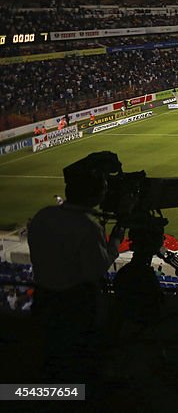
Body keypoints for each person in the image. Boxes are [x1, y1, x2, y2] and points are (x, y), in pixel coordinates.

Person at [28, 158, 124, 383]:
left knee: (50, 355)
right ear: (96, 195)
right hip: (74, 303)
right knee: (79, 361)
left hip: (42, 297)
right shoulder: (86, 226)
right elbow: (97, 269)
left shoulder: (43, 215)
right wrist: (116, 240)